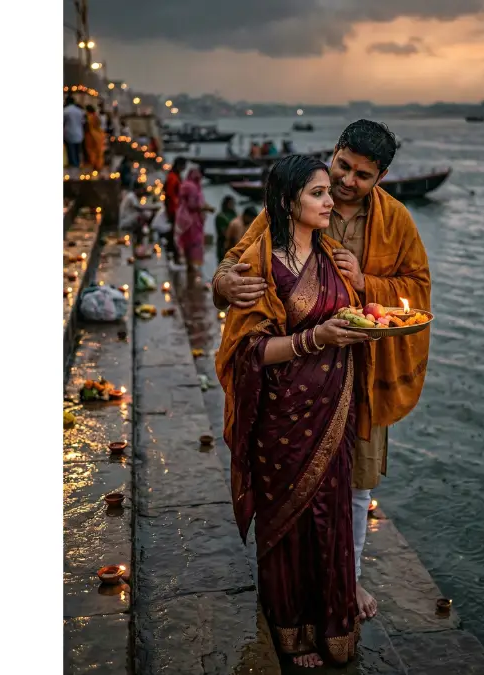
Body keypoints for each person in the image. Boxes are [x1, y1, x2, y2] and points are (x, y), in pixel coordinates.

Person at [212, 120, 431, 622]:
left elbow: (417, 288)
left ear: (381, 177)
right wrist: (224, 283)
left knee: (356, 483)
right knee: (290, 484)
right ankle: (293, 587)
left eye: (362, 175)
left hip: (362, 374)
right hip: (293, 377)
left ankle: (348, 580)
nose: (346, 182)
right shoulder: (298, 198)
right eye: (342, 166)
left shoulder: (396, 220)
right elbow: (237, 259)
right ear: (334, 153)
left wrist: (367, 281)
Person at [215, 154, 373, 668]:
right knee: (289, 521)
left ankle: (334, 622)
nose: (330, 202)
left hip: (335, 407)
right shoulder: (260, 262)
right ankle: (291, 628)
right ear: (288, 202)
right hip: (283, 415)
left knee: (331, 515)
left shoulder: (332, 256)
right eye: (317, 193)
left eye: (329, 192)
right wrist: (317, 337)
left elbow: (353, 314)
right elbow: (249, 351)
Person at [174, 167, 215, 278]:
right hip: (191, 220)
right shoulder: (191, 187)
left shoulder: (187, 185)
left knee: (187, 242)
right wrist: (207, 208)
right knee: (193, 242)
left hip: (185, 218)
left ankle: (190, 265)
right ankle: (191, 266)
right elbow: (193, 205)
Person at [162, 157, 187, 265]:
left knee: (174, 232)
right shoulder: (173, 177)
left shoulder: (175, 176)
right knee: (175, 233)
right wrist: (177, 208)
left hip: (175, 208)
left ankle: (173, 254)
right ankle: (174, 256)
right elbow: (170, 194)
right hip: (174, 209)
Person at [63, 96, 85, 168]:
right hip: (79, 133)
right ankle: (77, 164)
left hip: (69, 133)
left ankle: (73, 165)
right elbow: (83, 122)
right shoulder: (80, 111)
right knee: (77, 151)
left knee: (71, 151)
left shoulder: (65, 111)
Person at [214, 196, 238, 263]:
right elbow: (224, 232)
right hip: (223, 244)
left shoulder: (234, 215)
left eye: (233, 203)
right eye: (230, 203)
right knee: (224, 263)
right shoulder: (221, 216)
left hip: (234, 244)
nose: (232, 205)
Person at [83, 105, 105, 172]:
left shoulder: (89, 117)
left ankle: (94, 167)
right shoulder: (96, 116)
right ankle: (98, 167)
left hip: (91, 136)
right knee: (99, 152)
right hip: (99, 136)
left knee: (92, 152)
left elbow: (87, 126)